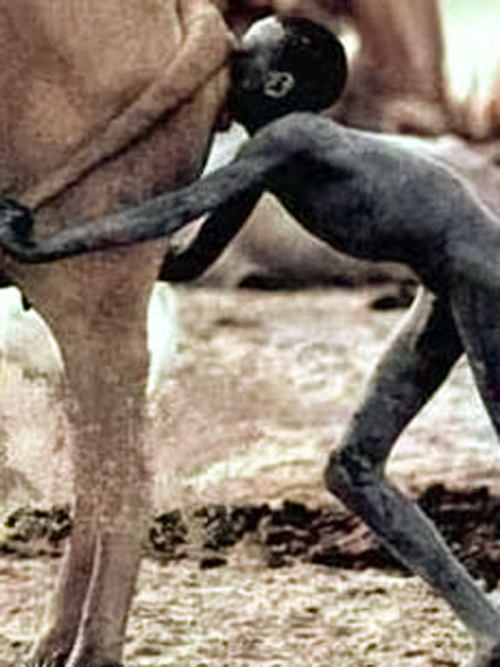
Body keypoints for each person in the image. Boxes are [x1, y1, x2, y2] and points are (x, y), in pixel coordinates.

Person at [1, 16, 500, 664]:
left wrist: (48, 241)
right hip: (443, 284)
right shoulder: (268, 159)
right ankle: (488, 626)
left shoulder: (291, 139)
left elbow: (173, 212)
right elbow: (182, 256)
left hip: (485, 280)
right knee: (351, 470)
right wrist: (57, 268)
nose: (229, 60)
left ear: (280, 80)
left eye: (245, 55)